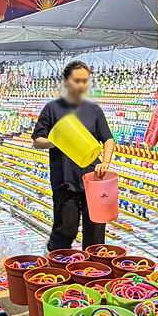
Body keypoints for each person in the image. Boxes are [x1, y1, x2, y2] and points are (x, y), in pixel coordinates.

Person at [32, 61, 115, 251]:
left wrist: (105, 162)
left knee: (96, 234)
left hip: (93, 179)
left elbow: (108, 139)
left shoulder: (93, 110)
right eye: (77, 81)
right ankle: (56, 261)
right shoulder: (52, 109)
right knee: (65, 230)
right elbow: (37, 140)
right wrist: (57, 141)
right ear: (66, 82)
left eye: (85, 81)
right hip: (64, 180)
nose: (81, 85)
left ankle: (92, 266)